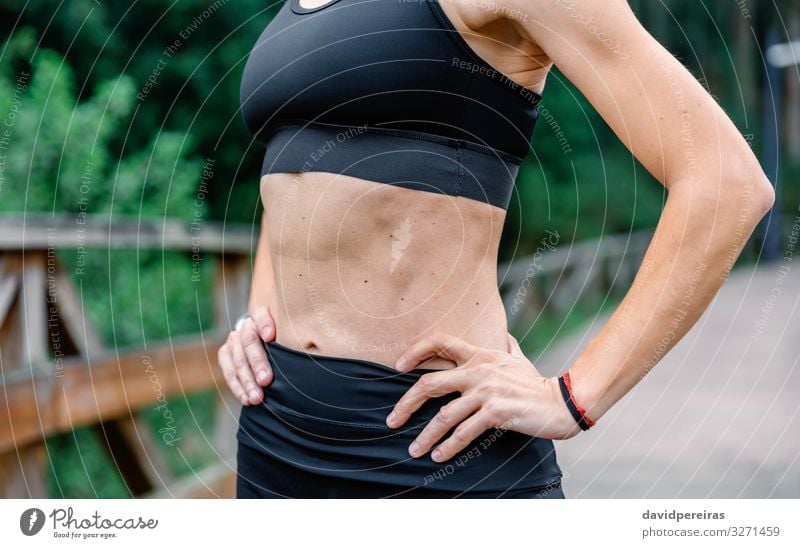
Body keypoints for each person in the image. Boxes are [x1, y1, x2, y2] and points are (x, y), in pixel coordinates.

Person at [219, 0, 775, 498]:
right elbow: (295, 172)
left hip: (431, 441)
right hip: (273, 434)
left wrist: (573, 398)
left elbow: (727, 182)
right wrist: (258, 312)